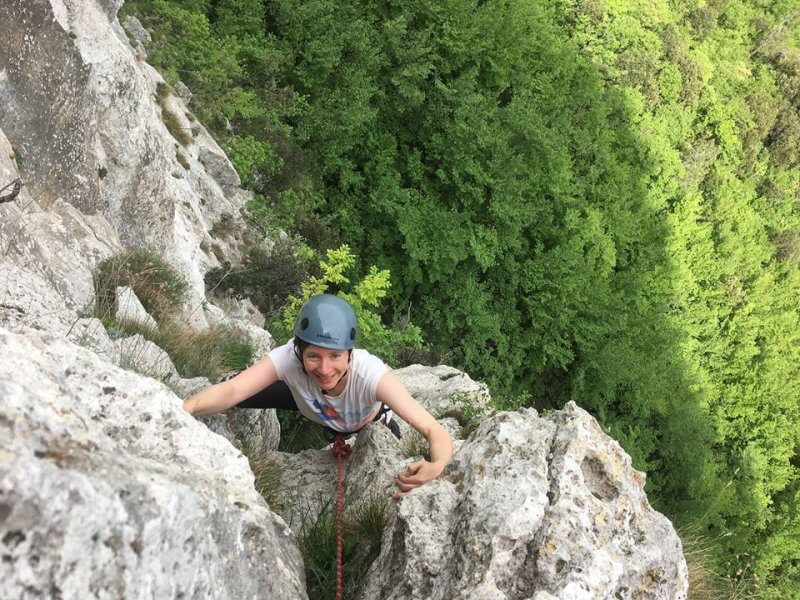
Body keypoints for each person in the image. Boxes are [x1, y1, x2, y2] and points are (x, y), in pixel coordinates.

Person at [183, 293, 453, 496]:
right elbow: (234, 390)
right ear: (299, 351)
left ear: (350, 353)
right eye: (313, 356)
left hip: (367, 422)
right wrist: (186, 408)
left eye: (335, 356)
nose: (324, 369)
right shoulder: (288, 359)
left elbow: (432, 428)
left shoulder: (371, 376)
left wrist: (439, 464)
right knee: (241, 392)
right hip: (304, 400)